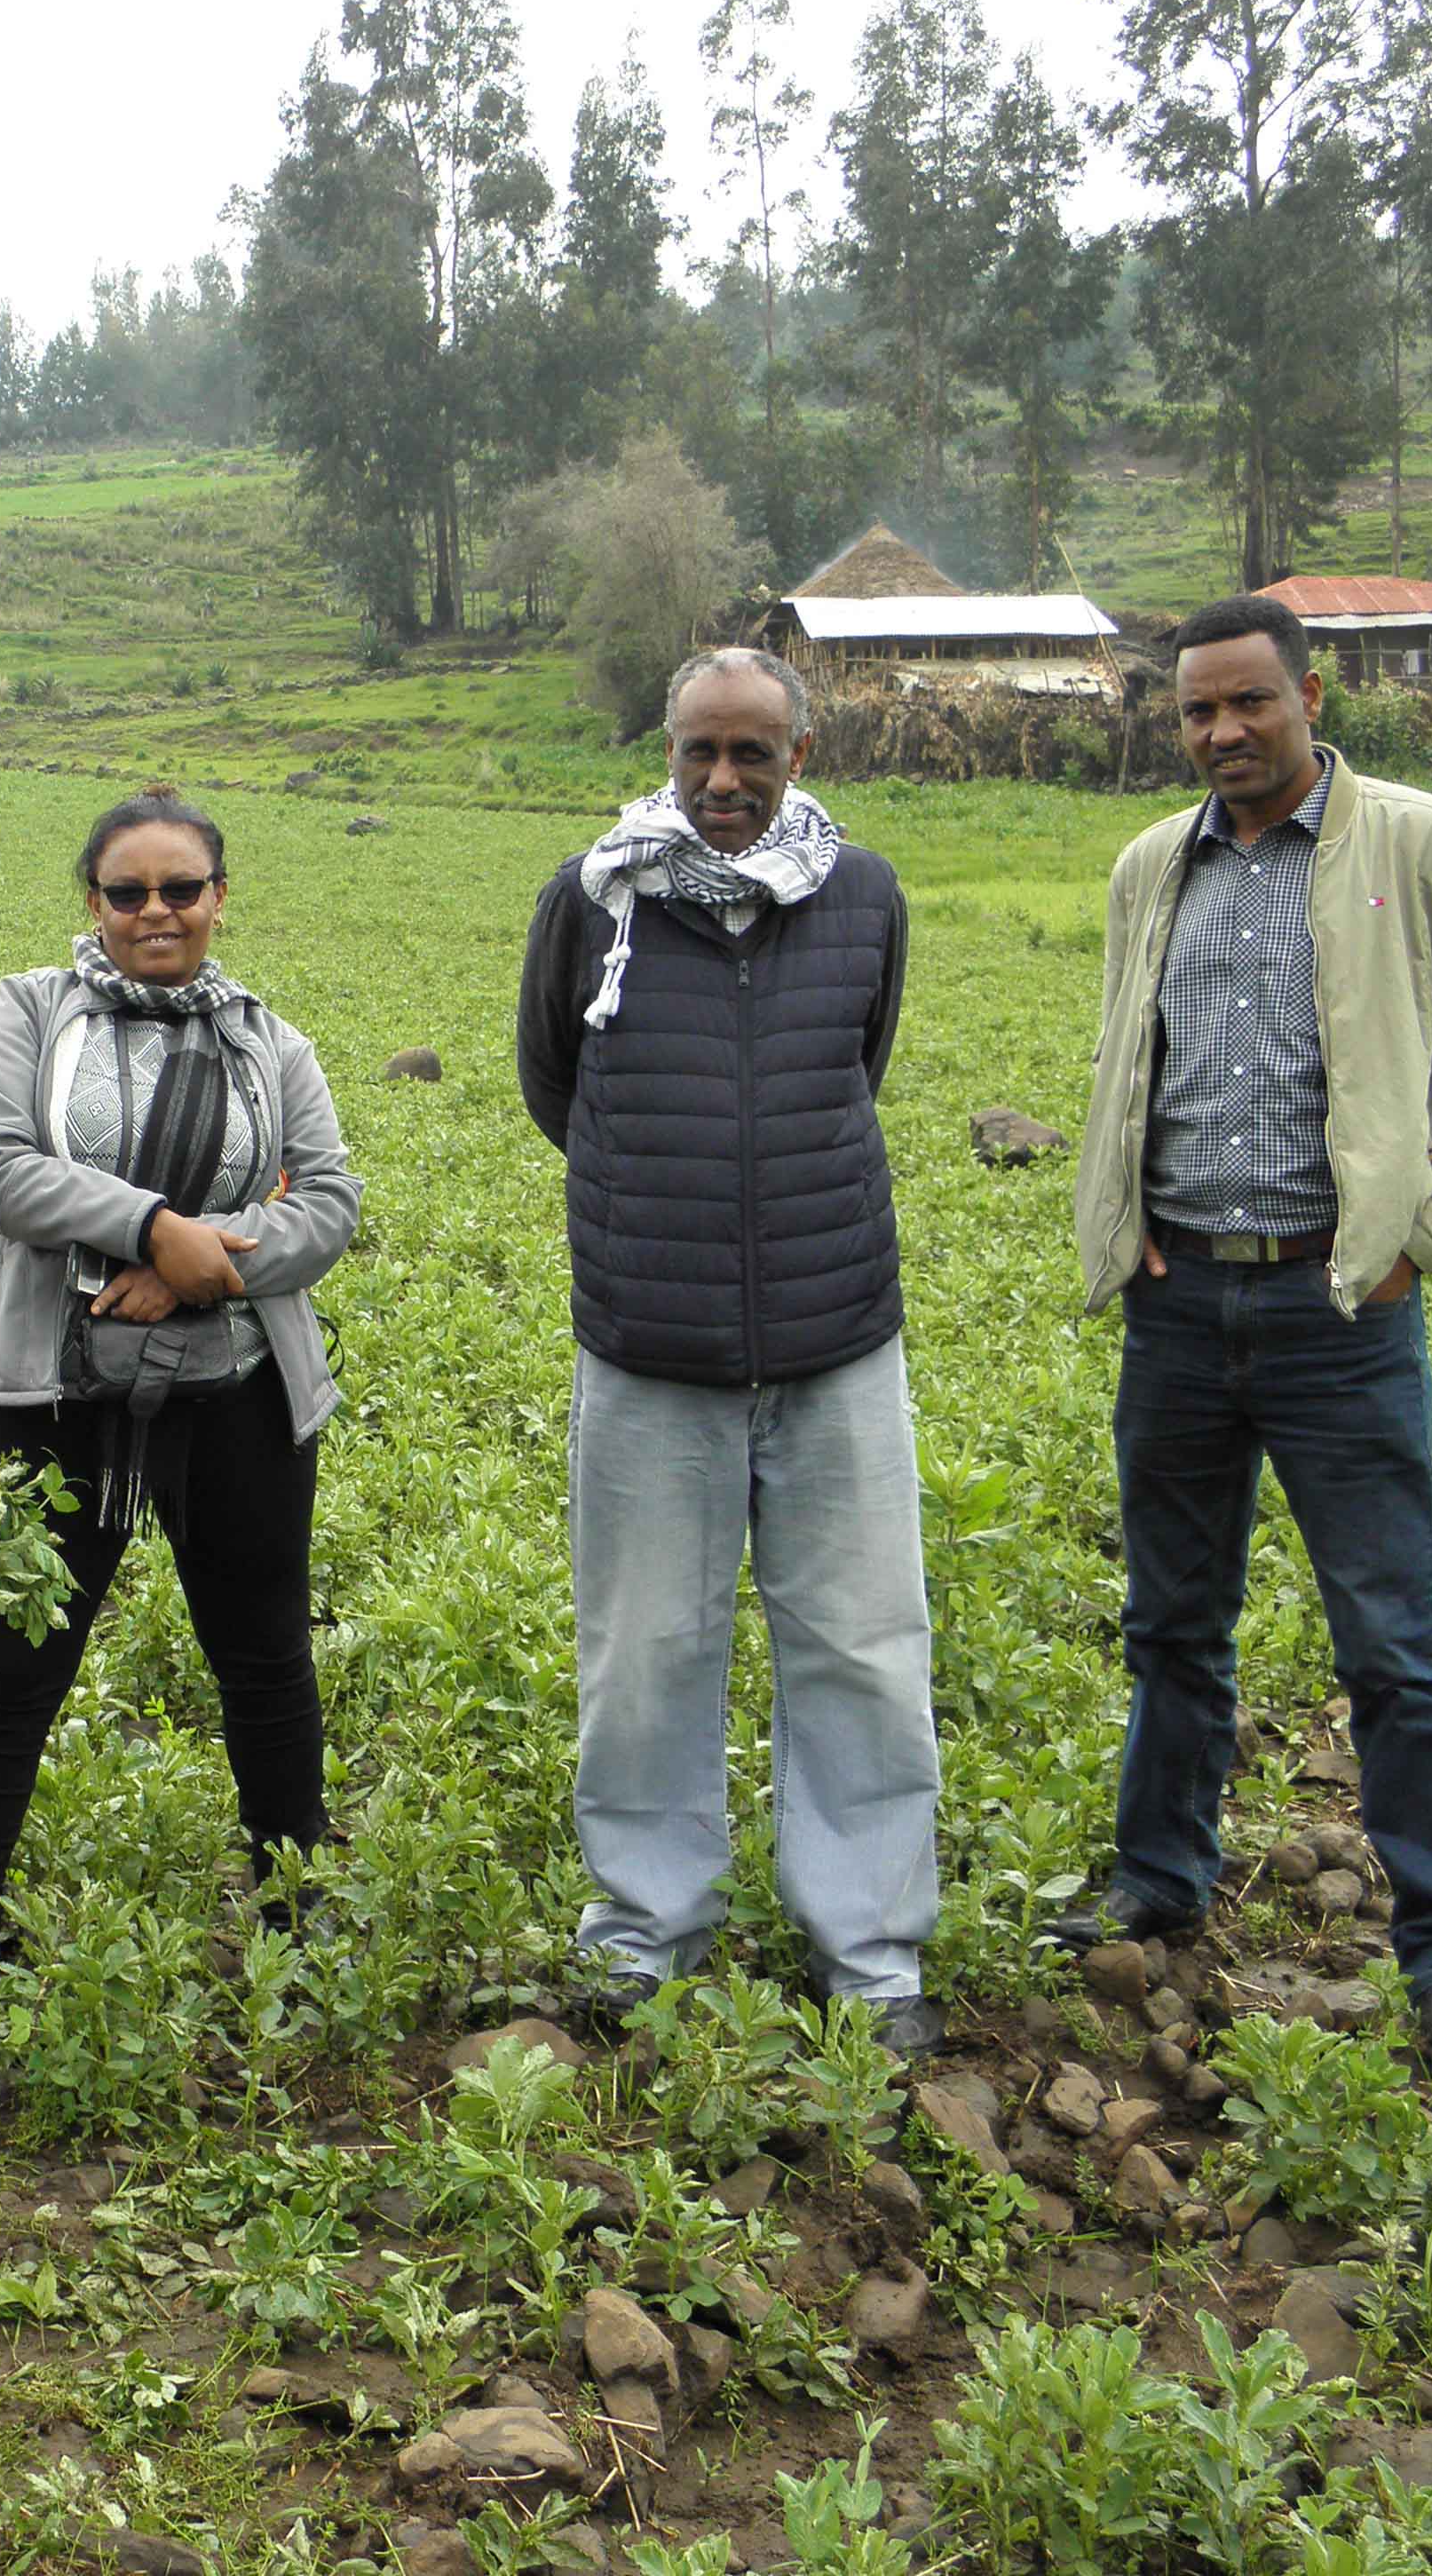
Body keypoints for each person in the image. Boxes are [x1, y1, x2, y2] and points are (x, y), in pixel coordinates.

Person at [1056, 593, 1432, 2064]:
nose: (1221, 733)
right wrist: (1126, 1223)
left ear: (1311, 694)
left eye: (1249, 704)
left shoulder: (1428, 844)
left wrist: (1419, 1246)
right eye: (1198, 711)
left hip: (1341, 1307)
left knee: (1398, 1643)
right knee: (1172, 1623)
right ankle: (1159, 1877)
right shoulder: (1154, 865)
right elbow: (1126, 1060)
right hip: (1182, 1303)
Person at [515, 646, 945, 2060]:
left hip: (836, 1348)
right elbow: (556, 1089)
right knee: (644, 1653)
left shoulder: (864, 895)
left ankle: (872, 1957)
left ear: (798, 758)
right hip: (650, 1349)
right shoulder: (592, 900)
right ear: (666, 750)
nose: (721, 783)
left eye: (751, 754)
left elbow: (856, 1070)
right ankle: (644, 1938)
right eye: (699, 751)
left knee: (865, 1653)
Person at [0, 787, 364, 2046]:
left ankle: (296, 1912)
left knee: (263, 1655)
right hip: (49, 1385)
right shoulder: (26, 1010)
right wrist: (150, 1228)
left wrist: (216, 1262)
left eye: (181, 890)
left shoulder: (277, 1044)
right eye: (126, 893)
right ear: (90, 905)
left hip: (239, 1383)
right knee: (14, 1663)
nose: (155, 913)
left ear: (219, 899)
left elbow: (327, 1200)